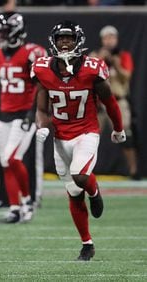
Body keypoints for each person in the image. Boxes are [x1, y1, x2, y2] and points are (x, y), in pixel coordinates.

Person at [32, 20, 126, 261]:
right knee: (73, 192)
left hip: (87, 131)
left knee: (80, 176)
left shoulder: (92, 68)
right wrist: (41, 125)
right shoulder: (42, 68)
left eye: (69, 38)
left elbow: (110, 101)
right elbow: (41, 108)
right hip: (60, 137)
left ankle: (94, 193)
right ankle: (87, 244)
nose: (65, 42)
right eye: (61, 38)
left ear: (78, 41)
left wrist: (118, 128)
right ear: (53, 41)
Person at [0, 12, 47, 223]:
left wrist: (33, 113)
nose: (1, 35)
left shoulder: (33, 52)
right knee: (6, 162)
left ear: (16, 31)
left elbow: (42, 86)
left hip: (23, 114)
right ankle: (15, 208)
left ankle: (27, 203)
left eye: (5, 31)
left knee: (12, 158)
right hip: (4, 115)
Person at [90, 25, 138, 180]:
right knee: (90, 136)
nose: (109, 41)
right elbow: (88, 76)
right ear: (102, 40)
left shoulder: (123, 56)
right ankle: (86, 168)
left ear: (116, 39)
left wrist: (115, 63)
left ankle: (133, 170)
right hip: (98, 102)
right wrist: (101, 60)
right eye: (106, 38)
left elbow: (127, 77)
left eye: (112, 37)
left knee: (125, 135)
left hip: (118, 100)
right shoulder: (95, 56)